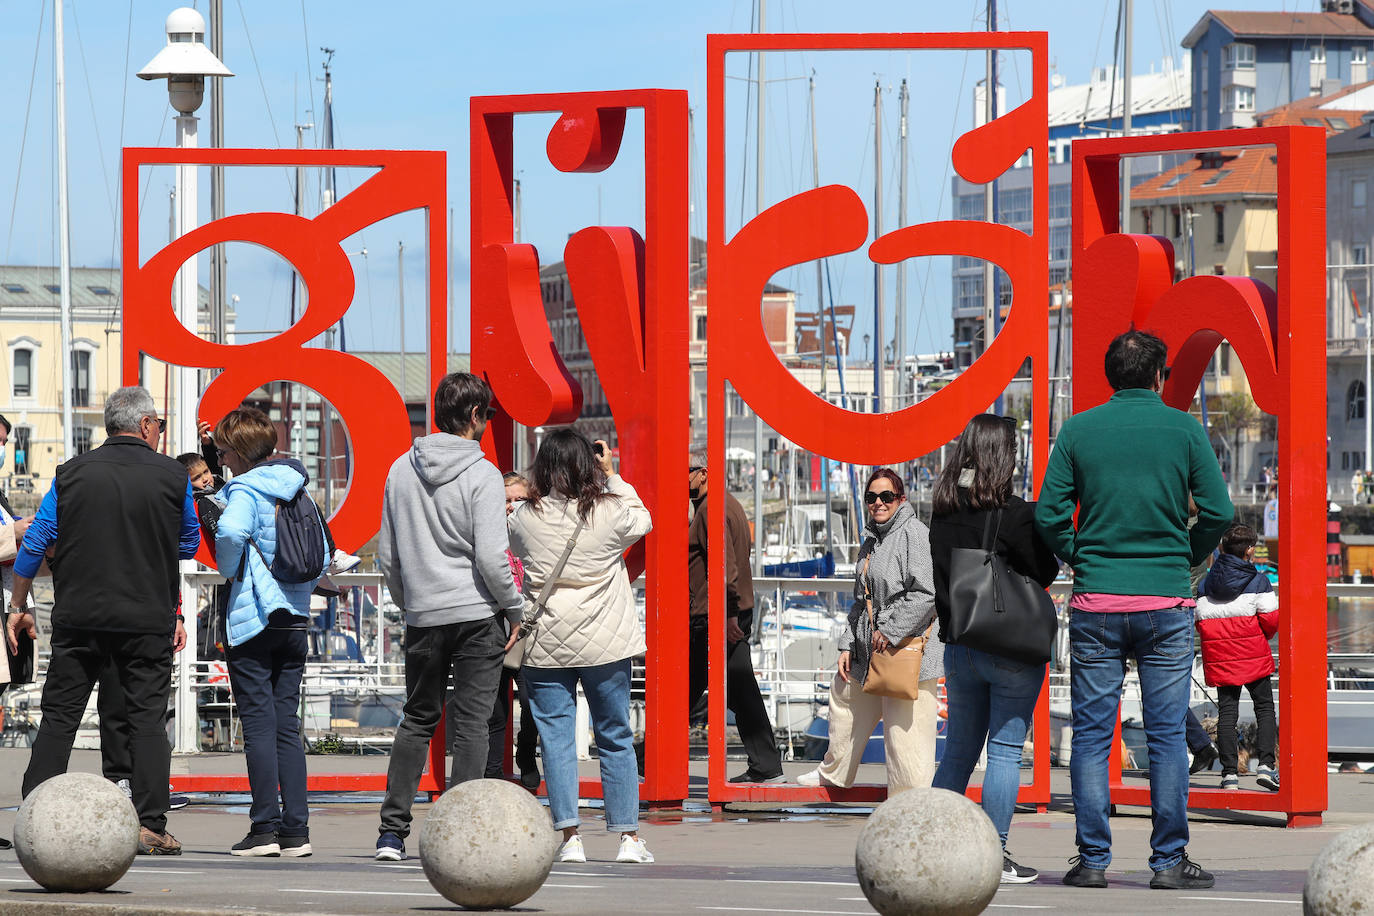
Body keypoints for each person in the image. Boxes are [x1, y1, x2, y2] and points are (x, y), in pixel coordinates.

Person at [1035, 329, 1233, 890]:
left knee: (1094, 735)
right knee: (1168, 734)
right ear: (1159, 376)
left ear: (1109, 377)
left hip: (1097, 602)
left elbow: (1049, 518)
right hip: (1166, 602)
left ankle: (1093, 860)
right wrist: (1184, 559)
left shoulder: (1078, 431)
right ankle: (1169, 861)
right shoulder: (1183, 430)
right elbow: (1218, 512)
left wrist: (1084, 558)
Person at [7, 386, 197, 856]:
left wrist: (17, 606)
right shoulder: (174, 477)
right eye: (160, 426)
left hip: (79, 618)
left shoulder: (70, 474)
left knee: (59, 718)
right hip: (146, 619)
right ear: (147, 425)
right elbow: (189, 543)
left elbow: (33, 545)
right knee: (149, 722)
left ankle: (35, 813)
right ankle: (151, 825)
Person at [374, 373, 523, 862]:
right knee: (473, 725)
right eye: (488, 416)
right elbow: (492, 559)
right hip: (477, 612)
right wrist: (515, 606)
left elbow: (388, 557)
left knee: (417, 718)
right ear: (476, 416)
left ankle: (391, 833)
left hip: (423, 614)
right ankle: (458, 829)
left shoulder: (400, 469)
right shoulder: (481, 474)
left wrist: (409, 599)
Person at [508, 430, 654, 865]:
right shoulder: (609, 510)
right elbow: (643, 519)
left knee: (555, 739)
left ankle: (570, 836)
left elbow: (514, 547)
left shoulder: (525, 516)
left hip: (548, 640)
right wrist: (613, 475)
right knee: (614, 736)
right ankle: (627, 837)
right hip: (605, 641)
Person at [928, 415, 1060, 885]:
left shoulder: (942, 509)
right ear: (1005, 457)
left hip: (960, 644)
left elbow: (940, 576)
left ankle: (934, 845)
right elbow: (1043, 571)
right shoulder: (1015, 513)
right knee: (1004, 751)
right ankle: (993, 855)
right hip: (1010, 647)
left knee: (960, 749)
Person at [210, 407, 325, 857]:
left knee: (258, 724)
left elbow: (234, 531)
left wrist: (226, 565)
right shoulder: (299, 489)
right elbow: (322, 548)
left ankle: (263, 830)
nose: (220, 461)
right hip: (295, 617)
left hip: (254, 617)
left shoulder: (244, 489)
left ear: (239, 452)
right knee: (286, 726)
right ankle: (296, 832)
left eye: (222, 452)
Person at [797, 468, 942, 794]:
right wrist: (847, 643)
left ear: (900, 499)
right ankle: (834, 773)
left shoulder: (914, 533)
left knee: (906, 736)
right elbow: (861, 600)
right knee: (844, 697)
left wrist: (891, 631)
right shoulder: (871, 540)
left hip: (908, 651)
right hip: (869, 648)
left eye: (886, 496)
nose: (878, 502)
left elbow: (926, 593)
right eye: (871, 497)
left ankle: (909, 804)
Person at [686, 455, 783, 783]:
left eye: (683, 472)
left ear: (703, 473)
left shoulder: (711, 508)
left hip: (716, 614)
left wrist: (727, 614)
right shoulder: (726, 504)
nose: (679, 479)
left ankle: (767, 765)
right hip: (725, 611)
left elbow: (724, 565)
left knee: (703, 688)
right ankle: (766, 765)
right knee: (730, 688)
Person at [1196, 524, 1279, 792]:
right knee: (1264, 709)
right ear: (1250, 550)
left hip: (1221, 657)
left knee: (1227, 714)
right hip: (1253, 654)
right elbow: (1270, 622)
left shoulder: (1205, 584)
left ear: (1222, 548)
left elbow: (1201, 622)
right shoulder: (1259, 581)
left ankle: (1229, 774)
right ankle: (1266, 766)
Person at [484, 472, 540, 788]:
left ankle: (527, 750)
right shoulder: (488, 532)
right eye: (506, 500)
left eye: (519, 500)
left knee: (534, 702)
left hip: (529, 627)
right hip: (494, 623)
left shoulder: (536, 533)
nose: (512, 507)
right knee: (495, 707)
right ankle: (493, 775)